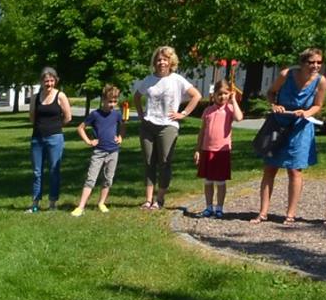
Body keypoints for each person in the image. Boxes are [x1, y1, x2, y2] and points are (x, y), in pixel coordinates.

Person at [256, 49, 325, 225]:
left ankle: (290, 214)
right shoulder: (286, 75)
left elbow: (318, 105)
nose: (315, 66)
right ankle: (263, 212)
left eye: (319, 62)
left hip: (301, 127)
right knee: (270, 168)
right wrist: (274, 105)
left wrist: (307, 112)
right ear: (302, 63)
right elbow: (271, 93)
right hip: (278, 124)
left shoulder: (320, 81)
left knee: (295, 170)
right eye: (311, 62)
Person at [131, 46, 200, 211]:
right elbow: (137, 96)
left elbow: (196, 95)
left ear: (171, 62)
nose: (162, 62)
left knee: (164, 162)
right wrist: (141, 115)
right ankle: (148, 200)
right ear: (155, 62)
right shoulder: (148, 79)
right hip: (148, 125)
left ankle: (159, 199)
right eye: (159, 59)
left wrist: (183, 113)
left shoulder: (177, 79)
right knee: (149, 162)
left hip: (167, 126)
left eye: (165, 59)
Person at [70, 85, 126, 217]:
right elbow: (80, 128)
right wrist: (89, 141)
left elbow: (123, 126)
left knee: (108, 178)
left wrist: (120, 137)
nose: (112, 104)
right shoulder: (95, 115)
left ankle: (101, 202)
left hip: (113, 151)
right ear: (103, 100)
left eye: (114, 101)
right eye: (109, 101)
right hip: (99, 151)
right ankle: (81, 206)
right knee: (91, 178)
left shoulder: (117, 114)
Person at [192, 77, 244, 219]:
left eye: (225, 93)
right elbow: (202, 131)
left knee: (220, 181)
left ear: (229, 94)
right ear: (213, 95)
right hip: (207, 149)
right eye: (219, 94)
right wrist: (198, 149)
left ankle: (219, 208)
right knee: (208, 181)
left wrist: (233, 100)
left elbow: (239, 118)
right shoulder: (208, 111)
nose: (222, 97)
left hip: (222, 151)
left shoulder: (230, 109)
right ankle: (209, 207)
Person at [28, 66, 73, 212]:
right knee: (37, 172)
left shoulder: (60, 96)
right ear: (41, 82)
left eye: (52, 81)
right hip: (37, 139)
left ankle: (52, 203)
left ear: (56, 81)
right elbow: (32, 118)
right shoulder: (35, 97)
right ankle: (35, 203)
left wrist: (56, 127)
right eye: (46, 81)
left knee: (54, 170)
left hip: (55, 138)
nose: (49, 84)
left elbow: (68, 117)